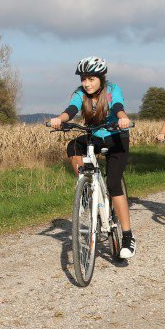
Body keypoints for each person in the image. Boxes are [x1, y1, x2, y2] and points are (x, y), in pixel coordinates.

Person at [48, 56, 136, 259]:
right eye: (83, 79)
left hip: (116, 137)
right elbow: (71, 110)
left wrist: (122, 118)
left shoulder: (113, 89)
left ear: (101, 78)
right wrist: (59, 120)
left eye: (91, 79)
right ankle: (86, 184)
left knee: (114, 184)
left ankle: (128, 237)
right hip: (95, 136)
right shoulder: (80, 93)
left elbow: (117, 106)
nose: (86, 83)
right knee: (73, 146)